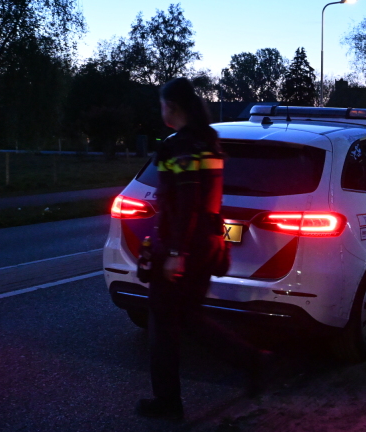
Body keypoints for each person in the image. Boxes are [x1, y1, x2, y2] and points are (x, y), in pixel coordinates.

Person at [136, 77, 267, 421]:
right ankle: (252, 360)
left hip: (184, 247)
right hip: (207, 243)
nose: (160, 110)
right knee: (191, 319)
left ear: (172, 107)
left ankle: (167, 403)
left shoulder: (180, 146)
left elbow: (187, 201)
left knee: (163, 326)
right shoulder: (209, 142)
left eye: (162, 104)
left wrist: (175, 253)